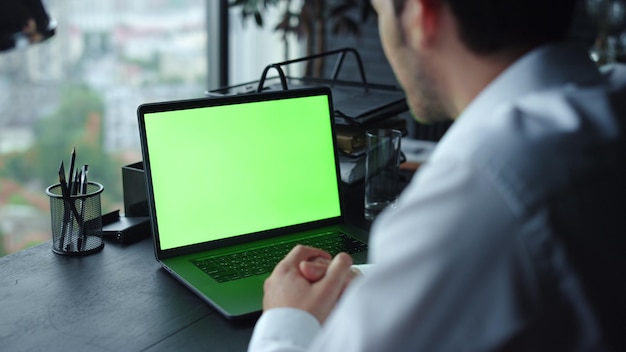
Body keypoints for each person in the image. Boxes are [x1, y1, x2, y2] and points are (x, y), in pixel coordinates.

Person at [248, 0, 626, 350]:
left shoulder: (476, 186)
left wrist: (287, 316)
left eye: (380, 12)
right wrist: (392, 279)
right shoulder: (611, 99)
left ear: (420, 16)